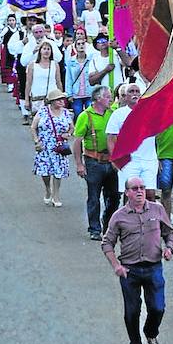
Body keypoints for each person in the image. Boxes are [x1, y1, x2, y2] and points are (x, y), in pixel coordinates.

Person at [102, 176, 173, 344]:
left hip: (153, 267)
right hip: (130, 270)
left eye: (142, 187)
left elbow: (170, 233)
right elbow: (107, 243)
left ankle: (151, 333)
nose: (140, 191)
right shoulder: (119, 216)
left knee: (158, 308)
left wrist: (169, 248)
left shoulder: (157, 210)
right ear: (127, 192)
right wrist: (116, 266)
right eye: (135, 188)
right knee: (132, 311)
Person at [72, 85, 118, 240]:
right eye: (107, 97)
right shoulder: (85, 116)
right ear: (98, 99)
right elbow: (77, 141)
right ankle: (95, 229)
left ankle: (108, 225)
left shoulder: (112, 114)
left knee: (114, 196)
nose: (110, 99)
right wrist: (79, 164)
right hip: (93, 161)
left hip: (111, 161)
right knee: (94, 196)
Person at [106, 83, 158, 201]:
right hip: (129, 161)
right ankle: (128, 219)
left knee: (150, 193)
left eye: (137, 91)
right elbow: (111, 138)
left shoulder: (150, 113)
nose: (135, 94)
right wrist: (115, 159)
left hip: (149, 160)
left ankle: (149, 219)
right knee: (130, 193)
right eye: (131, 91)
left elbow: (156, 137)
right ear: (125, 96)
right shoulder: (118, 114)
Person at [29, 88, 73, 208]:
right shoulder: (43, 111)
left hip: (59, 146)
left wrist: (67, 134)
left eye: (62, 99)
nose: (61, 102)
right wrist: (36, 141)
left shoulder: (65, 112)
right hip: (45, 146)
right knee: (45, 172)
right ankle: (48, 189)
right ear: (52, 101)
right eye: (58, 100)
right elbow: (33, 127)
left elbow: (71, 128)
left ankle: (56, 195)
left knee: (58, 172)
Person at [25, 41, 63, 117]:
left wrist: (61, 97)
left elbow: (58, 82)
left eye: (48, 49)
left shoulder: (55, 65)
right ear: (40, 51)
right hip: (37, 98)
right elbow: (28, 83)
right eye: (44, 49)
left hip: (52, 98)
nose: (46, 51)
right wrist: (26, 100)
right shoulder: (32, 65)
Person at [64, 38, 93, 117]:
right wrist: (69, 94)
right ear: (75, 47)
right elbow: (69, 78)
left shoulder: (90, 60)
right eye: (78, 44)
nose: (81, 46)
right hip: (76, 93)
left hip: (89, 92)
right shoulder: (71, 61)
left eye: (83, 44)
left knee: (91, 114)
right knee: (78, 115)